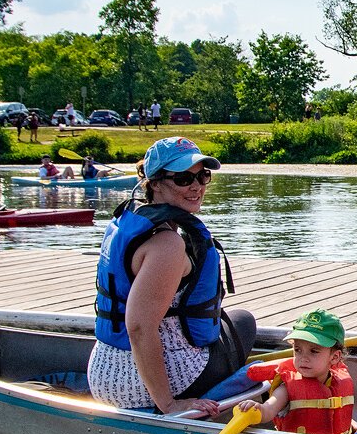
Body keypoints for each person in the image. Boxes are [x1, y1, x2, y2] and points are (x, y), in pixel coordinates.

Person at [88, 136, 257, 416]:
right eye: (182, 178)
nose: (196, 187)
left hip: (106, 368)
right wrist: (168, 404)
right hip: (140, 385)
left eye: (202, 176)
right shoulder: (167, 244)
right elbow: (139, 327)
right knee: (243, 322)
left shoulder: (131, 219)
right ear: (154, 183)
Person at [235, 309, 357, 434]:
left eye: (314, 351)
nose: (303, 358)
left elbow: (336, 411)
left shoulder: (337, 382)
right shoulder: (286, 389)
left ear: (335, 357)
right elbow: (268, 409)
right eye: (298, 350)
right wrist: (256, 409)